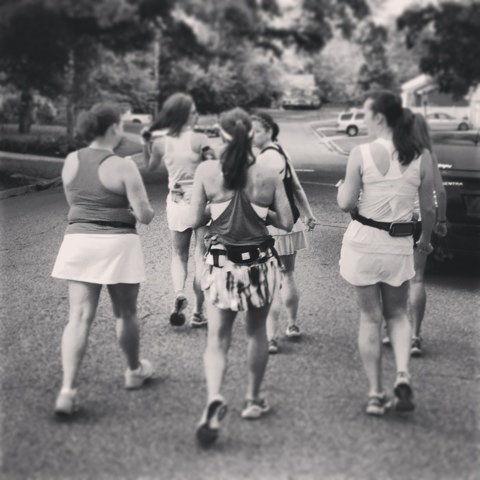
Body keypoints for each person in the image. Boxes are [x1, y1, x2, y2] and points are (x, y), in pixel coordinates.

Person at [188, 108, 293, 446]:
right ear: (250, 134)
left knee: (218, 339)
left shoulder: (207, 171)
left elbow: (194, 220)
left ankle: (214, 398)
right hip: (260, 265)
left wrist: (215, 208)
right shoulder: (268, 173)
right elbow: (287, 222)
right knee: (256, 334)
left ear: (220, 133)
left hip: (222, 266)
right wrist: (263, 212)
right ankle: (252, 399)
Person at [52, 103, 155, 416]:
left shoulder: (71, 161)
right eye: (120, 125)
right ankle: (134, 371)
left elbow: (74, 202)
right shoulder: (123, 166)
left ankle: (67, 391)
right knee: (125, 313)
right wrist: (139, 209)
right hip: (117, 244)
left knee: (79, 317)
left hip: (79, 240)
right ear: (113, 128)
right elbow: (144, 215)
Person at [337, 90, 435, 416]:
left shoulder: (361, 153)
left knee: (370, 318)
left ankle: (375, 395)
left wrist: (342, 188)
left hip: (364, 243)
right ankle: (403, 373)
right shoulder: (421, 156)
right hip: (399, 245)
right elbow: (428, 208)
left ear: (379, 117)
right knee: (397, 315)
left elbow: (346, 203)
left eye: (365, 113)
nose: (363, 118)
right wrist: (425, 241)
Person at [143, 93, 212, 328]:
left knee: (178, 255)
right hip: (201, 204)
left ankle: (179, 292)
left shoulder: (161, 143)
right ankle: (198, 312)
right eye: (193, 111)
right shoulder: (199, 139)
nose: (196, 115)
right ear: (184, 114)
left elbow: (150, 167)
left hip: (176, 202)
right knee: (201, 256)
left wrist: (145, 144)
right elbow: (214, 167)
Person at [251, 112, 317, 354]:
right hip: (290, 222)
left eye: (257, 131)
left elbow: (253, 196)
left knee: (269, 280)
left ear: (269, 131)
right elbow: (296, 187)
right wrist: (308, 214)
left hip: (268, 224)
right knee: (287, 275)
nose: (252, 135)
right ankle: (292, 324)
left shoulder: (263, 159)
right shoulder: (281, 152)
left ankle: (270, 337)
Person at [409, 113, 448, 356]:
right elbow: (440, 192)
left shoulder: (395, 153)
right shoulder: (428, 154)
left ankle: (391, 329)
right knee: (418, 278)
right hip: (422, 222)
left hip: (397, 222)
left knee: (392, 279)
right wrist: (441, 221)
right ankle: (415, 337)